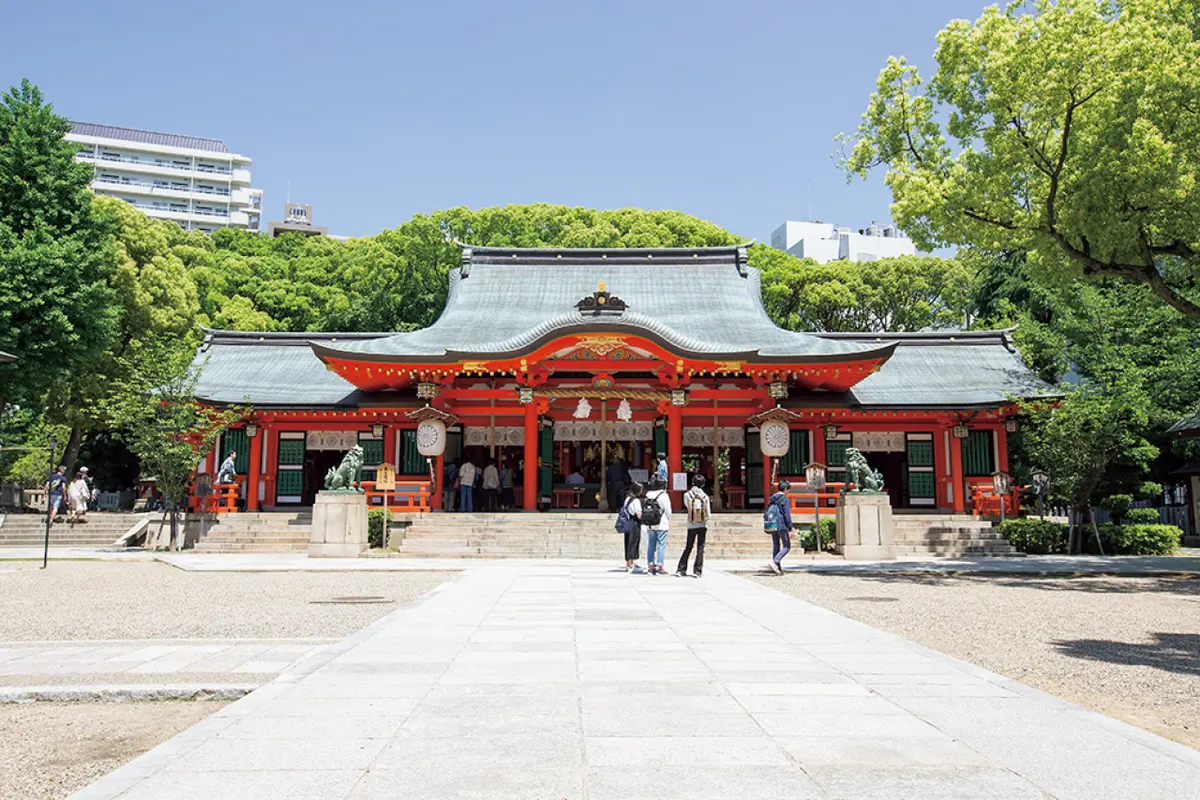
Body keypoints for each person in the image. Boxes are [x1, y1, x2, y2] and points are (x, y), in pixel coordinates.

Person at [676, 474, 711, 578]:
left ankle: (681, 569)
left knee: (688, 547)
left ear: (692, 482)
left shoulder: (687, 495)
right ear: (703, 484)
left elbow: (688, 507)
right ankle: (697, 571)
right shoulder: (705, 496)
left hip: (691, 524)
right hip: (702, 524)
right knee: (700, 548)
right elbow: (708, 513)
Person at [642, 477, 672, 575]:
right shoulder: (664, 496)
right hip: (662, 523)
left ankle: (650, 565)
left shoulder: (648, 495)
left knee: (651, 545)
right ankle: (660, 566)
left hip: (650, 523)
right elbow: (668, 510)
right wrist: (669, 520)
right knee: (661, 545)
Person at [764, 479, 794, 575]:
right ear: (785, 489)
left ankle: (778, 569)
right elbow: (787, 515)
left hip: (772, 524)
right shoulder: (785, 500)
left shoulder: (772, 498)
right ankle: (775, 561)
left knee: (776, 545)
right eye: (788, 489)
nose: (788, 491)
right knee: (787, 546)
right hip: (781, 525)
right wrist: (790, 528)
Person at [615, 482, 644, 573]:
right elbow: (638, 514)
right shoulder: (636, 501)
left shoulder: (627, 498)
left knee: (627, 542)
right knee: (633, 542)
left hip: (627, 522)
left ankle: (628, 563)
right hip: (634, 522)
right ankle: (631, 563)